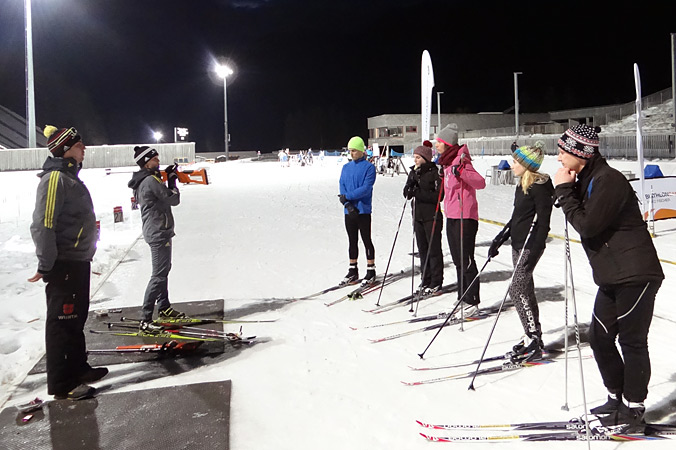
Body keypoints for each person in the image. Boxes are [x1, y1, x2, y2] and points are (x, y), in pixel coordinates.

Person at [554, 124, 664, 427]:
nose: (559, 157)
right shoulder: (589, 179)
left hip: (636, 273)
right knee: (599, 338)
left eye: (563, 151)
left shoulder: (610, 180)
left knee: (632, 341)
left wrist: (564, 191)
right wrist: (568, 190)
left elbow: (589, 225)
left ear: (581, 154)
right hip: (612, 274)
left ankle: (634, 405)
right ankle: (615, 396)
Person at [29, 125, 108, 400]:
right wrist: (46, 264)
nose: (84, 148)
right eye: (78, 145)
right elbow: (43, 225)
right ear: (66, 150)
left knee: (75, 318)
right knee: (62, 322)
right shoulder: (54, 180)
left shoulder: (69, 177)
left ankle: (78, 368)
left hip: (77, 261)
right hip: (63, 263)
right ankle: (63, 383)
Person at [488, 141, 554, 362]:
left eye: (516, 162)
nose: (512, 165)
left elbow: (544, 221)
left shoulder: (539, 187)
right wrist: (501, 237)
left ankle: (533, 337)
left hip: (529, 245)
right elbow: (518, 217)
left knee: (517, 289)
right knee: (525, 289)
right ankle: (533, 336)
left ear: (527, 166)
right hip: (517, 243)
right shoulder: (522, 185)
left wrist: (535, 249)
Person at [128, 146, 185, 329]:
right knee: (159, 275)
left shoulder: (147, 179)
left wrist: (165, 177)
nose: (158, 161)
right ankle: (146, 318)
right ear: (146, 162)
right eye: (155, 159)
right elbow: (172, 199)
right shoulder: (150, 181)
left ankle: (164, 307)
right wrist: (173, 182)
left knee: (164, 270)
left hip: (158, 230)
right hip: (158, 232)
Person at [435, 125, 486, 318]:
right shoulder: (446, 163)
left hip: (466, 216)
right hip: (452, 215)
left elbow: (480, 182)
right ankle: (462, 296)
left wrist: (462, 172)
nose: (436, 145)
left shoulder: (461, 160)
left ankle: (472, 301)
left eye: (439, 142)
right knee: (457, 260)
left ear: (448, 144)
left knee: (466, 259)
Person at [403, 144, 444, 295]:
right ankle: (425, 279)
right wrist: (409, 189)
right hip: (418, 216)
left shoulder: (434, 172)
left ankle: (436, 282)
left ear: (426, 158)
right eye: (414, 157)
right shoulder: (414, 172)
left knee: (433, 250)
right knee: (422, 250)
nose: (415, 160)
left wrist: (418, 192)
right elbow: (407, 193)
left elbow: (438, 197)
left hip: (431, 216)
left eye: (418, 157)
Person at [338, 136, 377, 286]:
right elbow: (342, 185)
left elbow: (366, 188)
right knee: (352, 241)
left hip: (363, 210)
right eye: (350, 151)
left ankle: (371, 270)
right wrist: (347, 204)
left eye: (354, 150)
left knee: (366, 240)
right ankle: (352, 270)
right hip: (349, 211)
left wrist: (348, 197)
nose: (351, 153)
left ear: (361, 151)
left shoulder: (369, 167)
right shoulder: (346, 167)